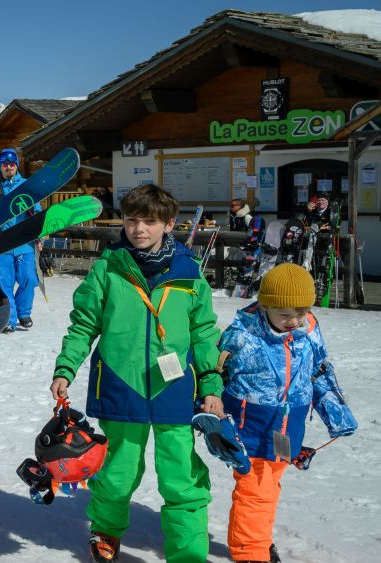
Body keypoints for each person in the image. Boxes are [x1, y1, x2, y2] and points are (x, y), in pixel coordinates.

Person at [49, 183, 224, 562]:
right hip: (120, 384)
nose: (139, 229)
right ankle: (106, 529)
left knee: (181, 475)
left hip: (174, 388)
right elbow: (84, 324)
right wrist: (66, 367)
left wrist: (211, 384)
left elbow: (204, 333)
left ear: (169, 224)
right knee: (118, 471)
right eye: (131, 220)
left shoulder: (189, 273)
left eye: (150, 221)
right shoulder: (108, 268)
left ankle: (189, 553)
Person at [218, 263, 357, 563]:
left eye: (301, 312)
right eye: (284, 314)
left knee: (269, 487)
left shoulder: (310, 330)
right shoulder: (242, 334)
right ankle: (251, 553)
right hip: (251, 427)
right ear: (264, 305)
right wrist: (211, 413)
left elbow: (319, 372)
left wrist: (336, 414)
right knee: (255, 488)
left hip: (288, 426)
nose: (294, 321)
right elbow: (214, 372)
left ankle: (259, 539)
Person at [0, 148, 39, 331]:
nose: (9, 167)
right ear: (0, 166)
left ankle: (24, 312)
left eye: (12, 163)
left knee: (29, 279)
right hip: (1, 243)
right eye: (5, 163)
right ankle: (9, 320)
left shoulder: (27, 186)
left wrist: (39, 236)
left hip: (24, 243)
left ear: (17, 165)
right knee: (4, 283)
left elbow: (37, 212)